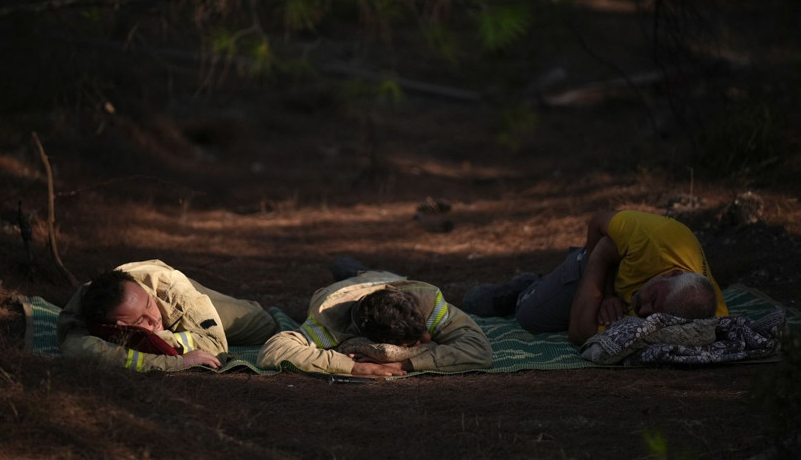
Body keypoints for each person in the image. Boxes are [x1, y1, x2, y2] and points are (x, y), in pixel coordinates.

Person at [461, 210, 728, 346]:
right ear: (673, 274)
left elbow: (581, 333)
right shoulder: (654, 238)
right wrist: (607, 293)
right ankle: (525, 287)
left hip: (615, 264)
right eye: (653, 299)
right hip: (596, 261)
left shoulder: (703, 312)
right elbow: (598, 225)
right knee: (529, 316)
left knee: (575, 317)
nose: (643, 310)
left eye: (652, 315)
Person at [256, 265, 493, 376]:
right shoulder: (329, 323)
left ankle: (350, 267)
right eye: (412, 342)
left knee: (353, 267)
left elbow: (480, 350)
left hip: (383, 278)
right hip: (340, 291)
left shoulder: (425, 301)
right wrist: (354, 367)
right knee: (343, 268)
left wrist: (404, 364)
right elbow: (273, 351)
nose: (428, 339)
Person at [57, 259, 278, 371]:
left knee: (262, 323)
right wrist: (179, 363)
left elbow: (216, 347)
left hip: (180, 298)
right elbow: (76, 349)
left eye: (148, 304)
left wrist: (159, 338)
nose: (154, 319)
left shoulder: (170, 286)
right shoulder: (78, 317)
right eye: (139, 320)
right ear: (116, 326)